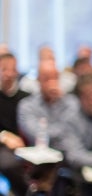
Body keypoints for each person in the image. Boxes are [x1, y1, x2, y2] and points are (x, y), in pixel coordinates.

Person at [0, 53, 31, 196]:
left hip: (27, 144)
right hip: (3, 147)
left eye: (12, 69)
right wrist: (4, 136)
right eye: (4, 69)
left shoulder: (26, 98)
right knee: (9, 164)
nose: (8, 73)